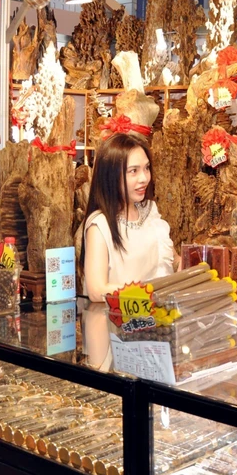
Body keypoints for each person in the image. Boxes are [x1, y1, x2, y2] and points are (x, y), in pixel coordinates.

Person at [79, 133, 175, 369]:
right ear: (111, 176)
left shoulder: (150, 213)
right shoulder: (99, 225)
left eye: (146, 168)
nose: (143, 178)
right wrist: (150, 295)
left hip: (152, 333)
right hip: (114, 338)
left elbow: (164, 264)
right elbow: (96, 289)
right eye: (133, 171)